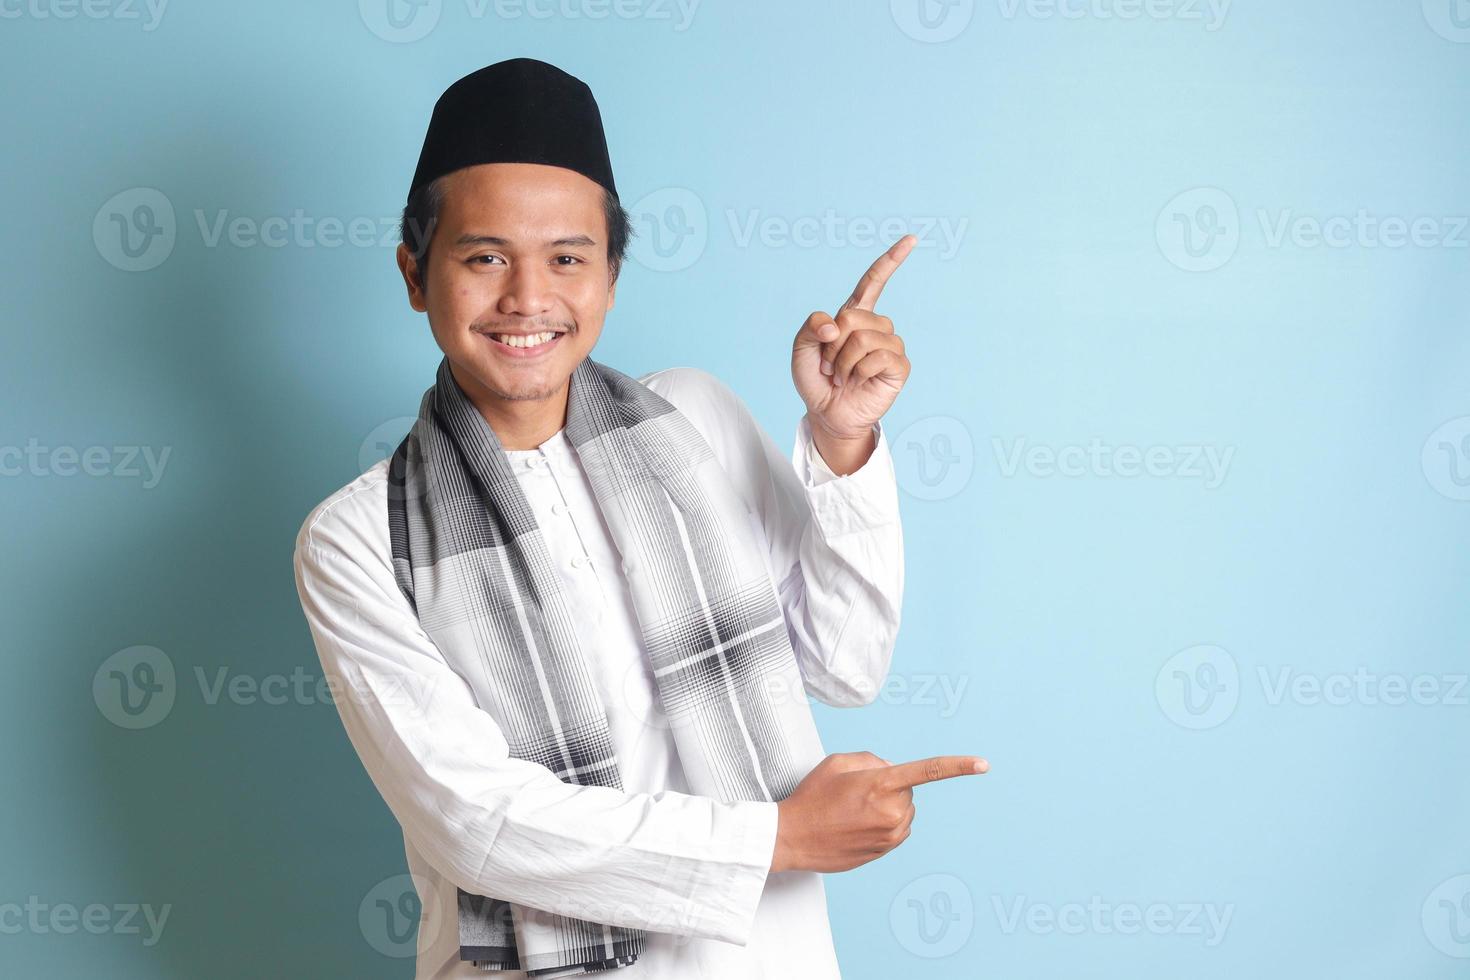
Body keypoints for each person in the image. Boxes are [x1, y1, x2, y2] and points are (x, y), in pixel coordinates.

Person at [292, 57, 986, 980]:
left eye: (568, 259)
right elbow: (477, 822)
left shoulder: (693, 418)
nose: (528, 298)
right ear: (416, 274)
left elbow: (843, 664)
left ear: (611, 278)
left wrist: (840, 440)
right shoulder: (356, 537)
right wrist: (777, 837)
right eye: (485, 256)